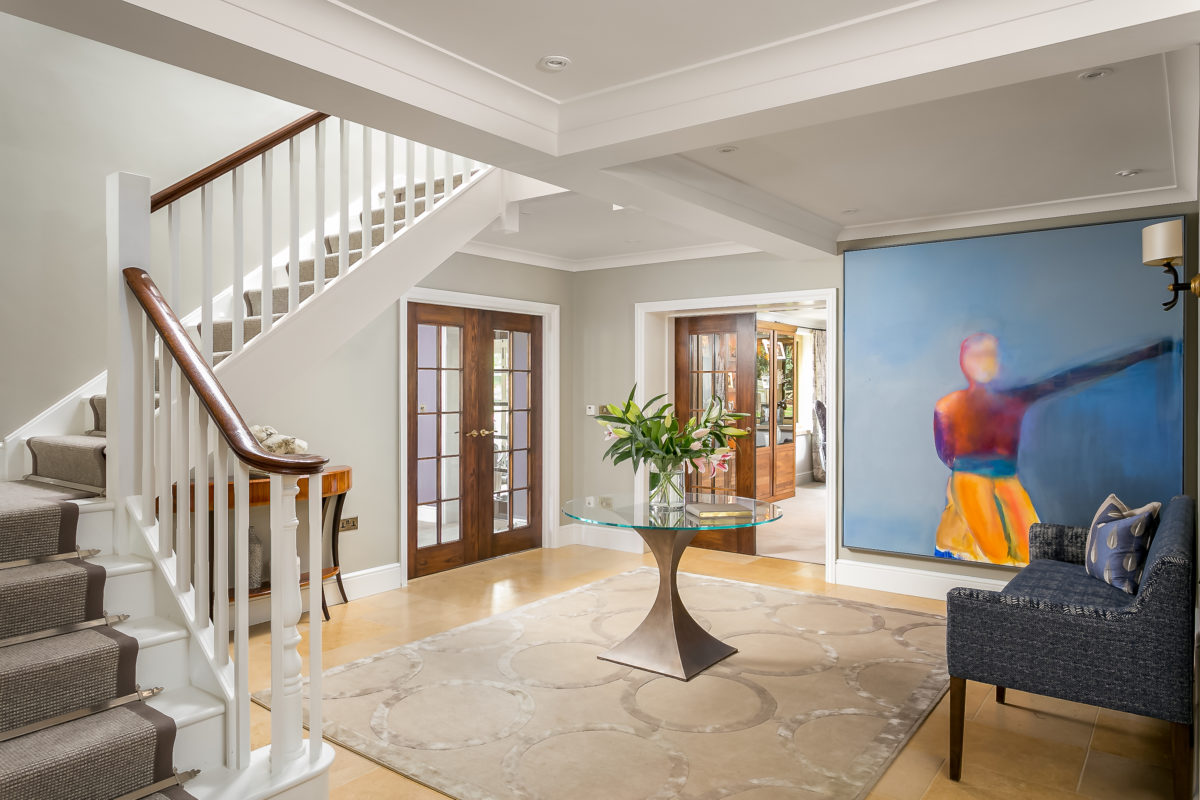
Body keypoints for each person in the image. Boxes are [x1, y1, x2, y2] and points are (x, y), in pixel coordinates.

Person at [933, 333, 1172, 564]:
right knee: (993, 551)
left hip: (1006, 479)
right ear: (965, 362)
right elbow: (946, 453)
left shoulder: (1015, 398)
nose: (986, 361)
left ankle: (1014, 596)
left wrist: (1139, 356)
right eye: (978, 355)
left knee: (1025, 548)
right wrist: (969, 477)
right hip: (970, 480)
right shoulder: (948, 406)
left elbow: (1069, 377)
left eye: (991, 354)